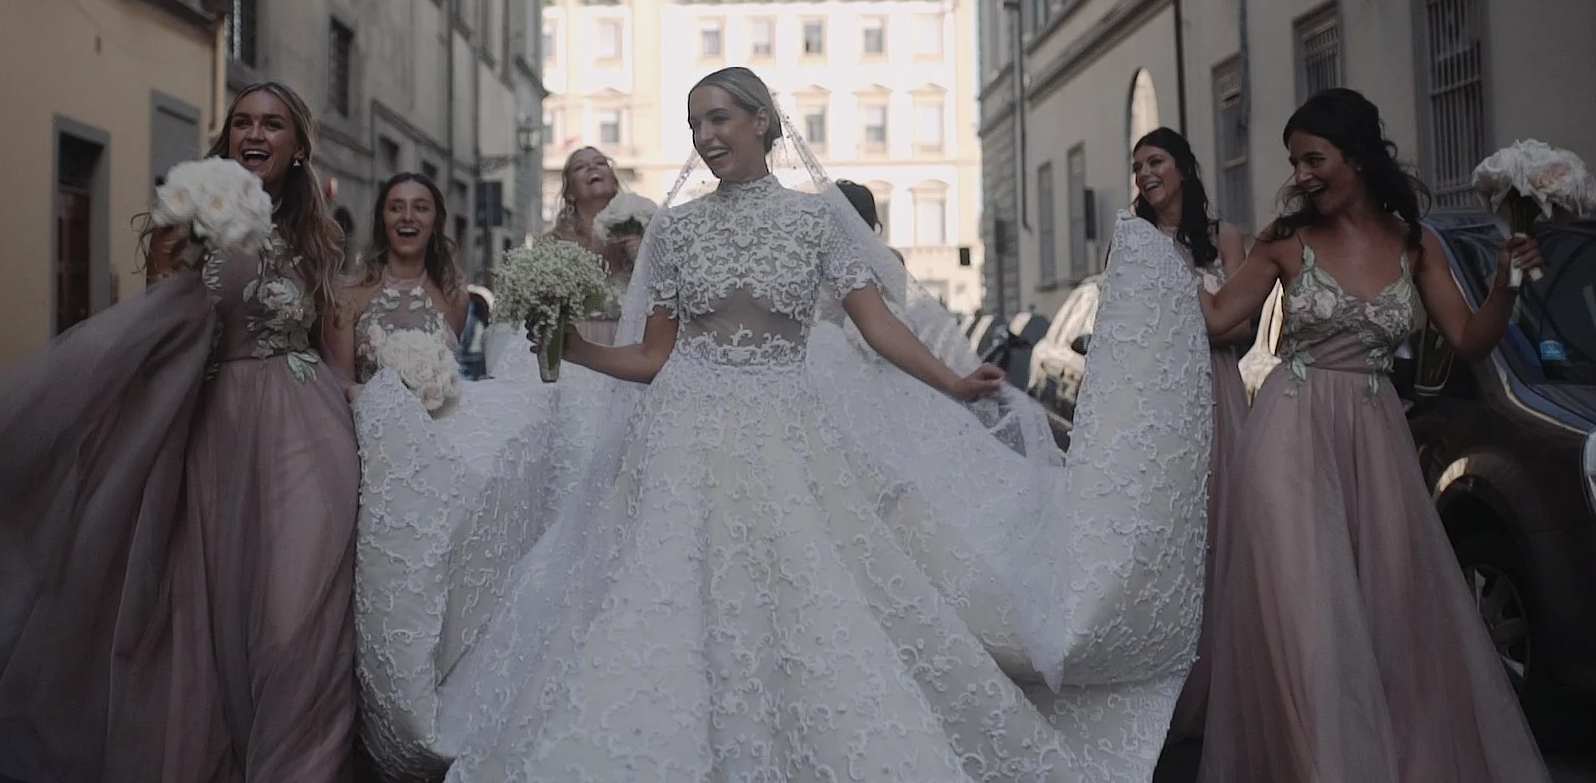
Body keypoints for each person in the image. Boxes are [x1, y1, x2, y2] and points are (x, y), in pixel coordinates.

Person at [408, 67, 1216, 781]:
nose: (706, 136)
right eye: (694, 124)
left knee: (805, 593)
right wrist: (573, 349)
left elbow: (877, 325)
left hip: (783, 432)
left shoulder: (814, 219)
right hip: (682, 433)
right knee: (660, 598)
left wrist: (953, 380)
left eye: (719, 117)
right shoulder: (678, 228)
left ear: (763, 121)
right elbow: (653, 356)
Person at [0, 82, 360, 781]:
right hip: (217, 440)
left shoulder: (316, 241)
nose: (255, 134)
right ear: (227, 136)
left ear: (297, 148)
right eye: (242, 122)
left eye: (273, 124)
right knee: (223, 623)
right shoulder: (185, 221)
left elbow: (335, 353)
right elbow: (151, 342)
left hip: (310, 441)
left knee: (302, 621)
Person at [1195, 89, 1548, 782]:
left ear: (1355, 157)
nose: (1300, 174)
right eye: (1294, 161)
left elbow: (1472, 339)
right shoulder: (1283, 242)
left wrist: (1508, 283)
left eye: (1313, 158)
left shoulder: (1416, 245)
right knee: (1306, 620)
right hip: (1288, 443)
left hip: (1376, 444)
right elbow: (1216, 320)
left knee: (1388, 617)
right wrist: (1156, 259)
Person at [1128, 127, 1251, 742]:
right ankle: (1166, 680)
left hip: (1217, 391)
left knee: (1222, 527)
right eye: (1138, 166)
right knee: (1169, 536)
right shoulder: (1134, 240)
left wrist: (1200, 319)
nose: (1146, 174)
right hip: (1159, 397)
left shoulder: (1224, 238)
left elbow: (1245, 331)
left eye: (1156, 161)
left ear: (1182, 167)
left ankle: (1229, 678)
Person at [326, 172, 468, 391]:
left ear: (436, 223)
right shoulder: (347, 295)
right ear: (383, 221)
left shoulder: (455, 297)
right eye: (396, 208)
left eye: (420, 208)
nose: (408, 217)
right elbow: (339, 385)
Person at [549, 146, 639, 343]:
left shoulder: (642, 231)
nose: (592, 167)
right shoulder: (554, 244)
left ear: (614, 182)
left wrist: (641, 255)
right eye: (580, 167)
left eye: (600, 163)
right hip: (576, 347)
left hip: (630, 345)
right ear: (570, 193)